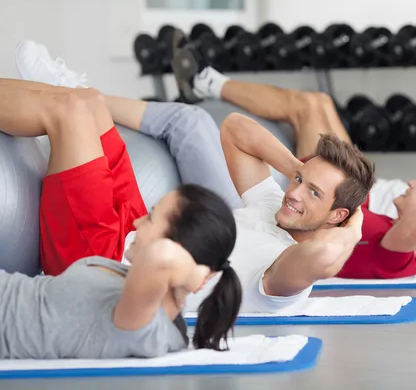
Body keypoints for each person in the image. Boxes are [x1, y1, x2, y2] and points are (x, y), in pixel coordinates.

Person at [16, 40, 373, 313]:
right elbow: (235, 130)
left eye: (314, 194)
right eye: (299, 183)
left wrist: (353, 225)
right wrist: (301, 171)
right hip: (134, 228)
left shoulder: (282, 273)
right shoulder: (273, 206)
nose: (294, 194)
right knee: (90, 101)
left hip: (105, 267)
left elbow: (325, 258)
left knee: (70, 112)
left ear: (338, 215)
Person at [170, 43, 416, 251]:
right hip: (367, 179)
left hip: (351, 195)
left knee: (307, 105)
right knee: (319, 103)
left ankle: (204, 82)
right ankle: (205, 83)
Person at [0, 76, 242, 359]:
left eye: (151, 220)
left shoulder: (143, 325)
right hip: (109, 256)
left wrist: (196, 274)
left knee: (69, 113)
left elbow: (160, 257)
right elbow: (159, 254)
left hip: (97, 250)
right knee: (90, 102)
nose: (141, 221)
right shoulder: (150, 296)